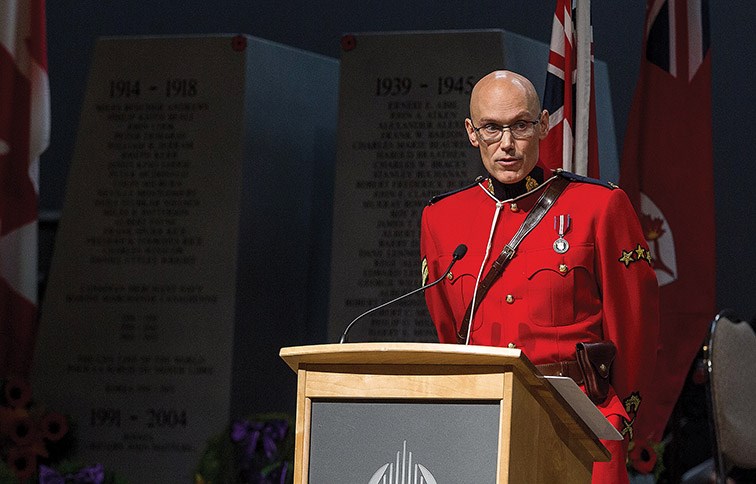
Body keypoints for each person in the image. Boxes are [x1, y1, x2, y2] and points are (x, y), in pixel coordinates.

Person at [420, 70, 659, 483]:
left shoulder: (599, 207)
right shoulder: (442, 218)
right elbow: (448, 329)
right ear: (471, 132)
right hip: (485, 421)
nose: (507, 144)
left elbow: (635, 323)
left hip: (581, 422)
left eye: (520, 125)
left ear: (544, 124)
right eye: (492, 128)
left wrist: (618, 417)